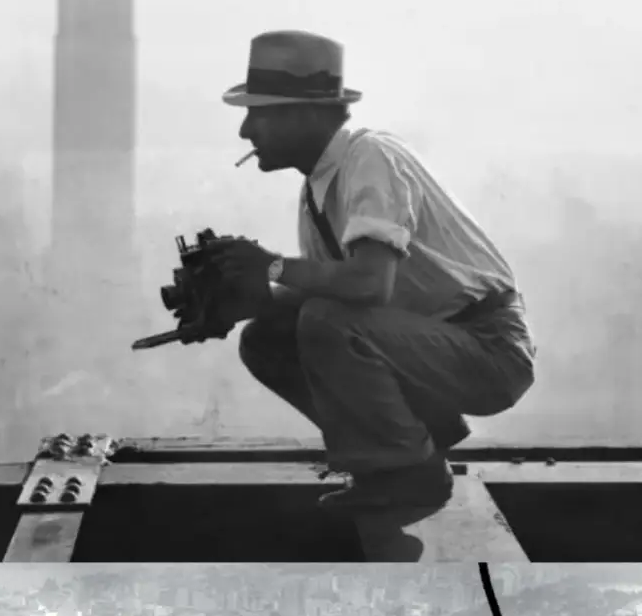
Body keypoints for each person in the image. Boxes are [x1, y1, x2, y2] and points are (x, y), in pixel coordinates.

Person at [207, 29, 535, 515]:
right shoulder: (320, 188)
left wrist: (273, 264)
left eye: (258, 114)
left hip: (487, 350)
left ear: (303, 115)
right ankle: (406, 451)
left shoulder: (371, 158)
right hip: (431, 343)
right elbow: (329, 297)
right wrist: (238, 300)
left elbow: (367, 286)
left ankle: (410, 473)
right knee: (265, 337)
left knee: (325, 321)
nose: (245, 132)